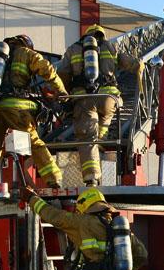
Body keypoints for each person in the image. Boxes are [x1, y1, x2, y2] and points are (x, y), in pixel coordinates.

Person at [0, 34, 65, 199]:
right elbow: (47, 70)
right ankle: (54, 179)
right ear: (27, 45)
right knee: (35, 143)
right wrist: (61, 91)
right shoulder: (27, 54)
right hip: (17, 109)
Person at [58, 25, 143, 186]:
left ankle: (92, 177)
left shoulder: (73, 49)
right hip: (108, 98)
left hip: (84, 99)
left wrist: (65, 96)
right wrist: (140, 65)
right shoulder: (110, 47)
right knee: (105, 119)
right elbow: (131, 64)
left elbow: (62, 74)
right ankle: (102, 140)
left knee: (87, 138)